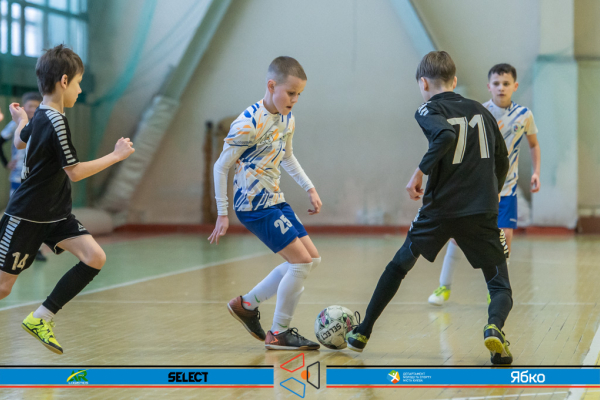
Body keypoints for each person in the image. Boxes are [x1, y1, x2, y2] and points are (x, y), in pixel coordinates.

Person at [346, 51, 513, 365]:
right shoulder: (482, 110)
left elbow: (445, 135)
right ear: (455, 80)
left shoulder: (428, 108)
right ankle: (494, 327)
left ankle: (362, 332)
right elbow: (502, 161)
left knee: (399, 266)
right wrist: (491, 196)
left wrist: (419, 172)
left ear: (423, 83)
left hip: (440, 210)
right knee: (499, 284)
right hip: (481, 210)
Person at [0, 44, 135, 355]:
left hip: (56, 214)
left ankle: (41, 318)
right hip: (27, 215)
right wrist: (116, 156)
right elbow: (74, 172)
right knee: (3, 287)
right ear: (64, 81)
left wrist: (20, 119)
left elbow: (20, 141)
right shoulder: (55, 121)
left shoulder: (43, 114)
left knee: (94, 257)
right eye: (78, 82)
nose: (80, 89)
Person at [209, 56, 322, 350]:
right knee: (300, 263)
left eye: (299, 94)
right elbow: (221, 167)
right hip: (253, 205)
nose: (295, 100)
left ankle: (246, 305)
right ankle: (279, 333)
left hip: (275, 199)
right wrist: (223, 213)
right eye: (291, 93)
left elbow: (287, 157)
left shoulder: (287, 118)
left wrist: (309, 188)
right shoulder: (247, 123)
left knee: (312, 260)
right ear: (271, 86)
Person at [428, 63, 540, 306]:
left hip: (507, 188)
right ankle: (444, 286)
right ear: (489, 86)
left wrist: (536, 172)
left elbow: (533, 144)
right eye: (496, 84)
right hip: (479, 187)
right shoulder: (479, 112)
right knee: (457, 236)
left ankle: (497, 289)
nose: (501, 88)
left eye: (506, 83)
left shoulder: (524, 115)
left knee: (504, 238)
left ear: (515, 86)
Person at [0, 92, 47, 262]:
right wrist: (6, 163)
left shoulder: (43, 124)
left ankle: (37, 249)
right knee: (15, 211)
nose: (33, 109)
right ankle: (7, 247)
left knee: (38, 212)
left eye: (36, 106)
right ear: (23, 107)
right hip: (17, 177)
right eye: (30, 106)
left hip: (36, 177)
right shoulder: (16, 125)